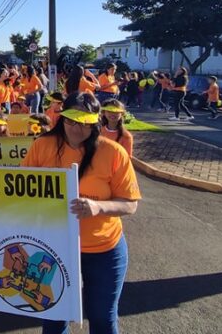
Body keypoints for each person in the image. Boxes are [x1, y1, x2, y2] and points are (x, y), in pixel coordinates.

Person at [22, 92, 140, 334]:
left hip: (104, 249)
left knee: (103, 320)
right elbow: (23, 191)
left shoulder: (113, 152)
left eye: (84, 123)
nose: (77, 129)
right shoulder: (42, 146)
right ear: (61, 118)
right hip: (54, 249)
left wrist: (99, 207)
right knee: (54, 320)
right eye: (71, 121)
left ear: (95, 122)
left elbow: (130, 203)